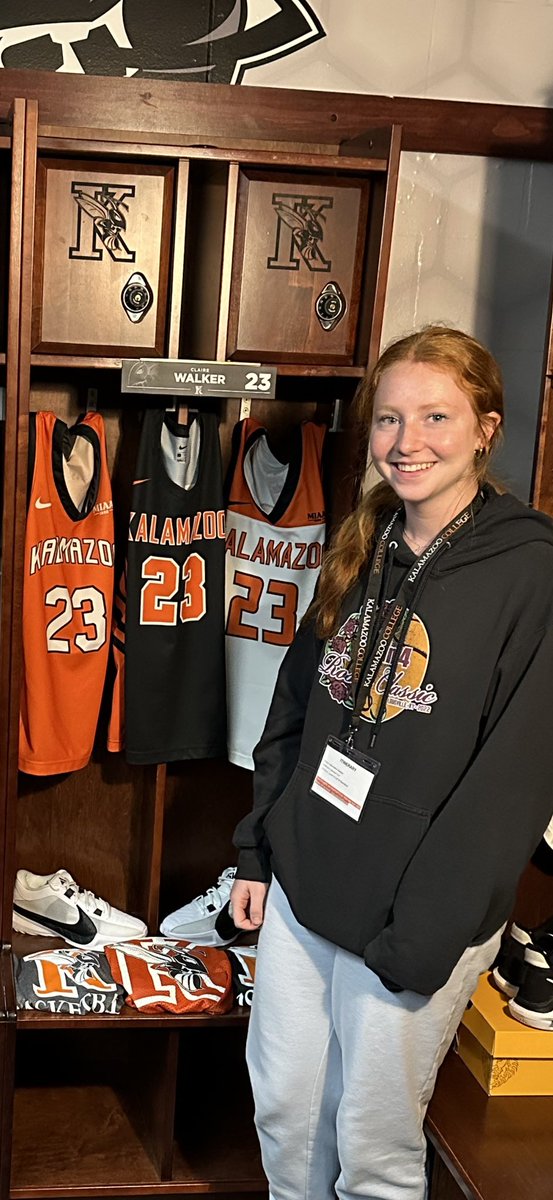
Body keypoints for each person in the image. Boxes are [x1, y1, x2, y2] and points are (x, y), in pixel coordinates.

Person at [230, 325, 553, 1200]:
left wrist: (421, 939)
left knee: (371, 1150)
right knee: (287, 1114)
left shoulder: (530, 571)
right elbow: (295, 708)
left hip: (412, 920)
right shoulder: (366, 537)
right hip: (307, 885)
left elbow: (512, 783)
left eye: (436, 417)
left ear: (487, 427)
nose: (406, 443)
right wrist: (258, 847)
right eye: (389, 420)